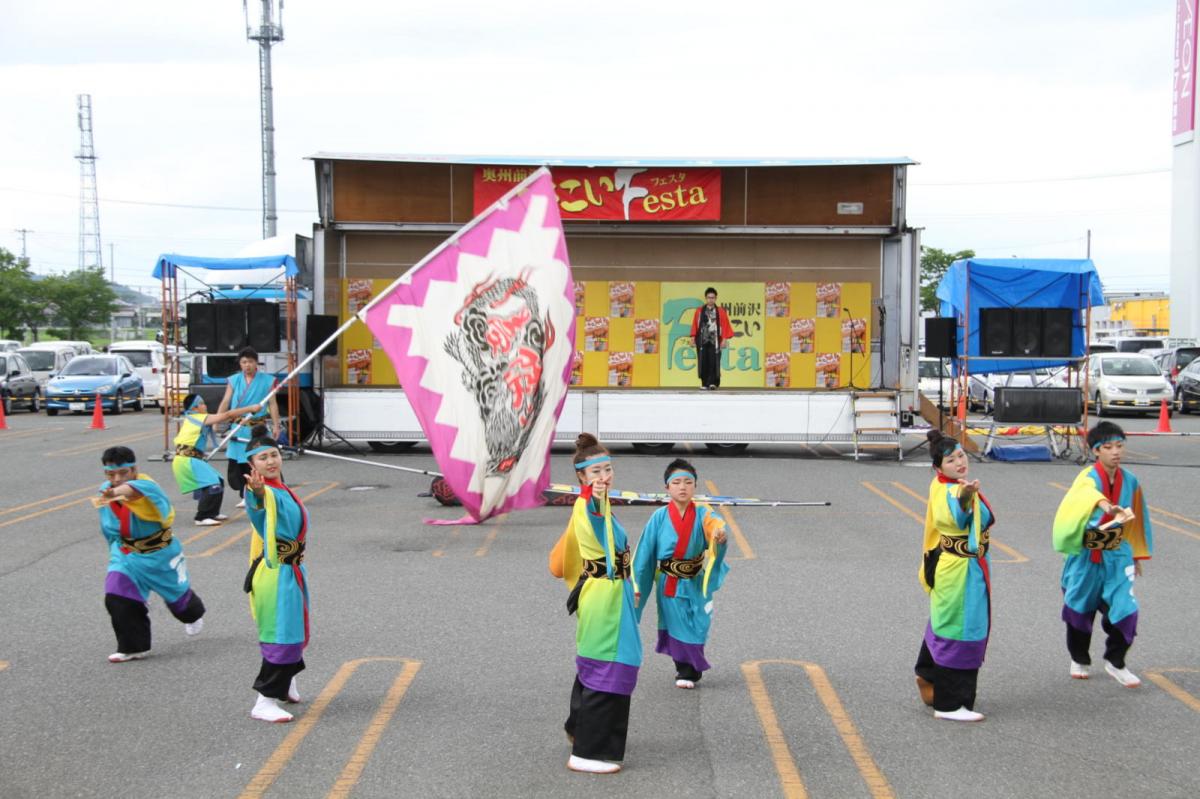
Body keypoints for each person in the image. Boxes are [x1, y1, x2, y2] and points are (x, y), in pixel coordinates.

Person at [548, 433, 641, 774]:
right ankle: (588, 753)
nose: (605, 477)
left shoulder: (593, 502)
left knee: (595, 659)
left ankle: (578, 727)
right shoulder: (588, 503)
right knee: (611, 663)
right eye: (596, 472)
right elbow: (596, 517)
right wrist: (595, 498)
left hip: (605, 592)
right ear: (582, 478)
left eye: (608, 469)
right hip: (604, 597)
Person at [1052, 421, 1152, 687]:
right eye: (1108, 447)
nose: (1115, 452)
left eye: (1119, 446)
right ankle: (1079, 658)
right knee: (1078, 609)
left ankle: (1116, 662)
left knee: (1126, 609)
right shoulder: (1087, 478)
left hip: (1117, 554)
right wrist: (1105, 505)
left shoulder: (1130, 481)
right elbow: (1084, 496)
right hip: (1085, 555)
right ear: (1096, 450)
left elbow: (1137, 517)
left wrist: (1137, 555)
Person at [96, 446, 206, 663]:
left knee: (181, 603)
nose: (116, 479)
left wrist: (117, 492)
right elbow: (108, 526)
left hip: (159, 555)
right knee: (117, 597)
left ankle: (194, 615)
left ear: (134, 469)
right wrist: (115, 552)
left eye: (123, 473)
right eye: (111, 474)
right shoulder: (105, 490)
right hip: (127, 554)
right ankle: (133, 646)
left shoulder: (146, 485)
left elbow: (132, 490)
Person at [914, 430, 995, 722]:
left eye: (960, 455)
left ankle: (927, 674)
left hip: (958, 566)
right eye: (951, 460)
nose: (960, 462)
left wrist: (965, 492)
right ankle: (949, 704)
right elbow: (954, 514)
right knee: (962, 628)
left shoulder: (943, 484)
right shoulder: (952, 491)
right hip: (960, 569)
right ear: (939, 467)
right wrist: (965, 497)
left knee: (944, 620)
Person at [632, 458, 729, 689]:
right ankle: (684, 669)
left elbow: (715, 524)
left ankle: (692, 665)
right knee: (678, 624)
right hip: (669, 583)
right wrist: (636, 585)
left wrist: (719, 535)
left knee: (698, 623)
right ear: (667, 488)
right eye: (676, 482)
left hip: (695, 581)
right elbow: (644, 553)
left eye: (688, 482)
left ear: (695, 486)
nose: (682, 487)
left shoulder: (703, 512)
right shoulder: (659, 517)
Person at [243, 424, 310, 723]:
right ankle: (264, 699)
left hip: (291, 570)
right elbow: (259, 506)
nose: (270, 462)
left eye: (274, 455)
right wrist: (256, 494)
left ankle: (285, 685)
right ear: (252, 465)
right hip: (275, 573)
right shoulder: (263, 491)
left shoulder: (281, 488)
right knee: (281, 634)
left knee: (292, 629)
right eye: (262, 458)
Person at [172, 393, 262, 525]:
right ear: (195, 408)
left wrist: (239, 419)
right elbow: (226, 415)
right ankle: (202, 517)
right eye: (201, 403)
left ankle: (212, 512)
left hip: (192, 458)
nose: (205, 405)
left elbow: (225, 419)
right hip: (186, 459)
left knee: (218, 481)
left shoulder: (195, 418)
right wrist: (250, 408)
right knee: (212, 484)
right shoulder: (196, 417)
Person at [216, 347, 280, 509]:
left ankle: (273, 490)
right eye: (244, 362)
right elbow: (226, 401)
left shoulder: (267, 380)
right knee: (238, 463)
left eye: (250, 362)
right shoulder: (234, 380)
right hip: (238, 426)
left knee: (261, 460)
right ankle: (245, 494)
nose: (247, 365)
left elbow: (272, 404)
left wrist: (276, 425)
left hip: (257, 427)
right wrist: (217, 419)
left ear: (256, 362)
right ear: (240, 364)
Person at [689, 287, 734, 390]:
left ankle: (714, 383)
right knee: (703, 361)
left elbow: (725, 325)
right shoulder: (700, 311)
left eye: (713, 297)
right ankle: (704, 383)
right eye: (709, 297)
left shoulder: (721, 311)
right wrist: (692, 337)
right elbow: (695, 324)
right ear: (705, 298)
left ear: (716, 298)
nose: (710, 299)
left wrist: (724, 339)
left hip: (716, 340)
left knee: (714, 361)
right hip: (702, 340)